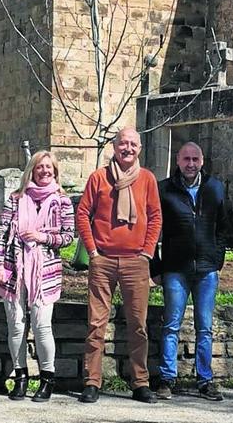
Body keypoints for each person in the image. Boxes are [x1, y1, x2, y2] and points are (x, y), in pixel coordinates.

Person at [76, 127, 162, 404]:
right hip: (103, 261)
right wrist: (92, 251)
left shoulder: (147, 179)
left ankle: (140, 382)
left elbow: (155, 217)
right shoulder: (99, 177)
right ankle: (92, 381)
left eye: (133, 144)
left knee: (138, 325)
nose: (127, 148)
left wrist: (147, 253)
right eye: (122, 143)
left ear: (140, 148)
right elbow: (82, 214)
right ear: (114, 147)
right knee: (96, 323)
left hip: (136, 261)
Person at [0, 150, 74, 402]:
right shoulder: (16, 199)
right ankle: (20, 376)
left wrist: (43, 238)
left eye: (49, 167)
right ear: (32, 170)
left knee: (41, 326)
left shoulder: (62, 201)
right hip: (14, 269)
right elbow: (2, 233)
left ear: (55, 171)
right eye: (40, 167)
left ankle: (47, 378)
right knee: (16, 325)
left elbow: (68, 237)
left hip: (45, 273)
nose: (44, 171)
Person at [156, 142, 228, 401]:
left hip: (206, 271)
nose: (190, 164)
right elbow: (153, 230)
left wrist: (217, 260)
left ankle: (205, 380)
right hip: (175, 269)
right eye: (186, 158)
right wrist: (156, 266)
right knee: (171, 326)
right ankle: (166, 379)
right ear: (177, 160)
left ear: (202, 161)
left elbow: (221, 229)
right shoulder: (164, 189)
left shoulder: (215, 188)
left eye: (195, 159)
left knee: (205, 329)